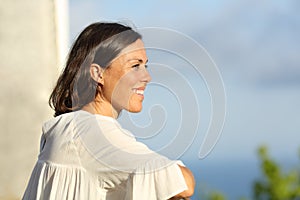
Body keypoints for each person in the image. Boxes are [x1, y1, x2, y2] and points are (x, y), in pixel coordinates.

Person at [22, 22, 195, 200]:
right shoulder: (91, 131)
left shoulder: (67, 127)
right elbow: (182, 182)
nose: (146, 77)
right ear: (98, 73)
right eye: (135, 66)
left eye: (145, 66)